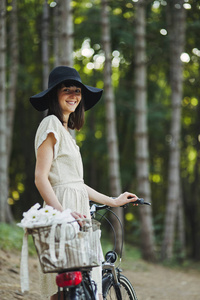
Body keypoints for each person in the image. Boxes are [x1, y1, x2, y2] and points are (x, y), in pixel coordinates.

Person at [30, 66, 138, 300]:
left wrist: (113, 200)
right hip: (63, 212)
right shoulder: (50, 124)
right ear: (53, 95)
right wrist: (64, 214)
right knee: (65, 287)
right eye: (66, 89)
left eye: (77, 90)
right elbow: (41, 178)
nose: (74, 95)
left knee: (82, 286)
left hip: (76, 213)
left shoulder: (65, 133)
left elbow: (77, 184)